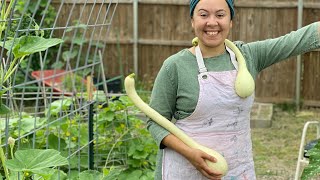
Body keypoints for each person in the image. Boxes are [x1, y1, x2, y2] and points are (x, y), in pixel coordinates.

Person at [146, 0, 320, 179]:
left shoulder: (248, 56)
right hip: (185, 168)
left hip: (237, 169)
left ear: (231, 21)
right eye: (203, 15)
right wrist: (190, 153)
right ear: (192, 20)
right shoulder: (174, 66)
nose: (212, 22)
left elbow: (297, 40)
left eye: (220, 15)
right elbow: (155, 122)